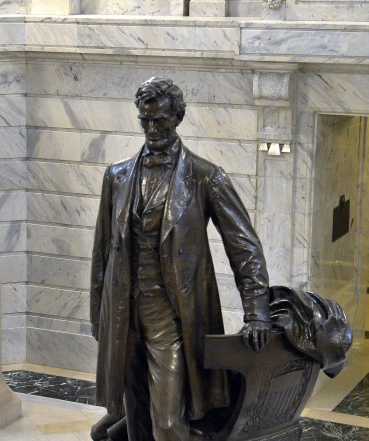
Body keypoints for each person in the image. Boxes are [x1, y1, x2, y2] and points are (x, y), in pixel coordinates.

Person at [90, 77, 271, 440]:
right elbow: (102, 251)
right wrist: (100, 315)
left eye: (160, 120)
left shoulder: (206, 177)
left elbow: (244, 248)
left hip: (173, 316)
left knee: (169, 422)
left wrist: (256, 312)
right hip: (124, 312)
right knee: (136, 416)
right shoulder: (118, 176)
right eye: (145, 121)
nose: (152, 129)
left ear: (178, 117)